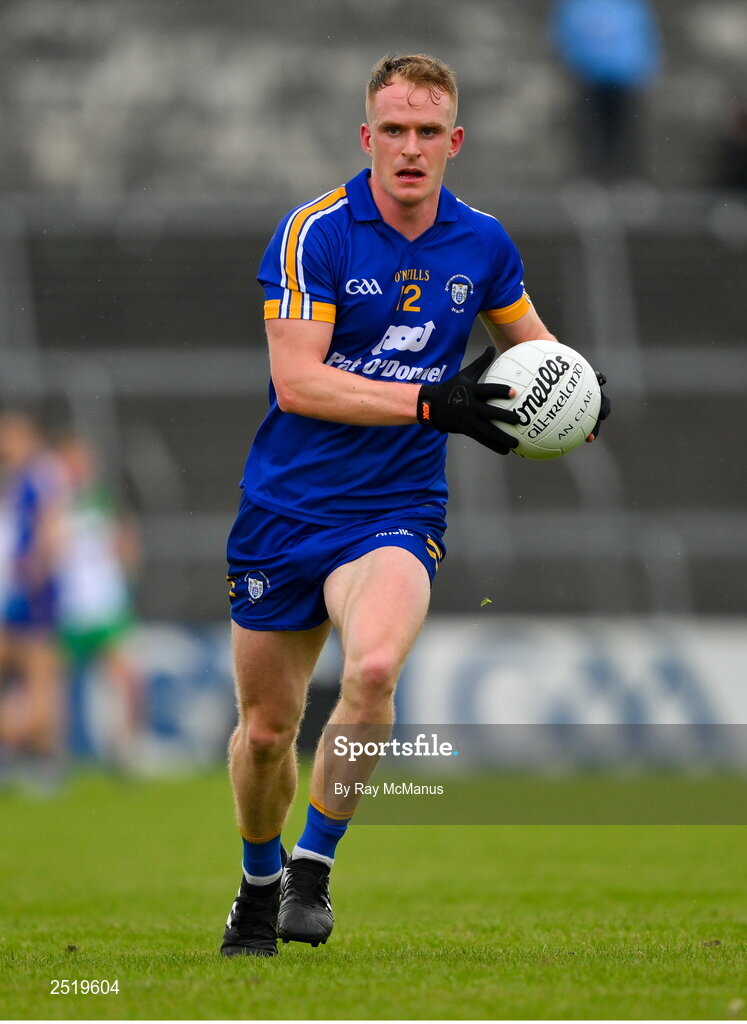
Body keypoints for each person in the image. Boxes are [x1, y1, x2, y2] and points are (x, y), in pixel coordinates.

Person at [221, 53, 610, 957]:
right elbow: (300, 382)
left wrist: (578, 393)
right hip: (284, 511)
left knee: (372, 671)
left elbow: (534, 351)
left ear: (454, 142)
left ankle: (312, 870)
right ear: (366, 138)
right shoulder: (314, 233)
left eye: (426, 131)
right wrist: (436, 403)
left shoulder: (481, 242)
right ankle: (256, 879)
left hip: (395, 506)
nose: (408, 147)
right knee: (269, 732)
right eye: (391, 130)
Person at [55, 433, 143, 767]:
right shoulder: (53, 505)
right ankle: (54, 756)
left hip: (106, 607)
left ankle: (126, 749)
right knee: (55, 686)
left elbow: (126, 544)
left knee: (127, 677)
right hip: (69, 608)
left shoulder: (103, 501)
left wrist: (127, 567)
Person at [0, 410, 67, 778]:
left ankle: (45, 760)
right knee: (27, 672)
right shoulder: (20, 476)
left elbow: (51, 524)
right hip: (21, 588)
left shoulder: (40, 472)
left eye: (8, 435)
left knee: (41, 676)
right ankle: (26, 752)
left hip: (35, 588)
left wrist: (36, 570)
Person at [550, 0, 661, 181]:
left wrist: (641, 69)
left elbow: (644, 37)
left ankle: (626, 178)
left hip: (624, 78)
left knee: (625, 132)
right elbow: (564, 36)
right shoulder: (575, 6)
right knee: (591, 133)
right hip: (590, 78)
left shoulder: (629, 6)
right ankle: (592, 179)